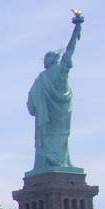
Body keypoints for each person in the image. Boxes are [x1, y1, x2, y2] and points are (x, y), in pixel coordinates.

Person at [27, 12, 84, 174]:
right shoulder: (40, 79)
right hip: (51, 116)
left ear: (53, 60)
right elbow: (31, 104)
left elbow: (70, 51)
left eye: (46, 58)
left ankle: (59, 161)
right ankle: (49, 161)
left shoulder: (59, 71)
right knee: (51, 139)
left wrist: (77, 28)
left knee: (59, 137)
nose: (44, 61)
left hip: (56, 115)